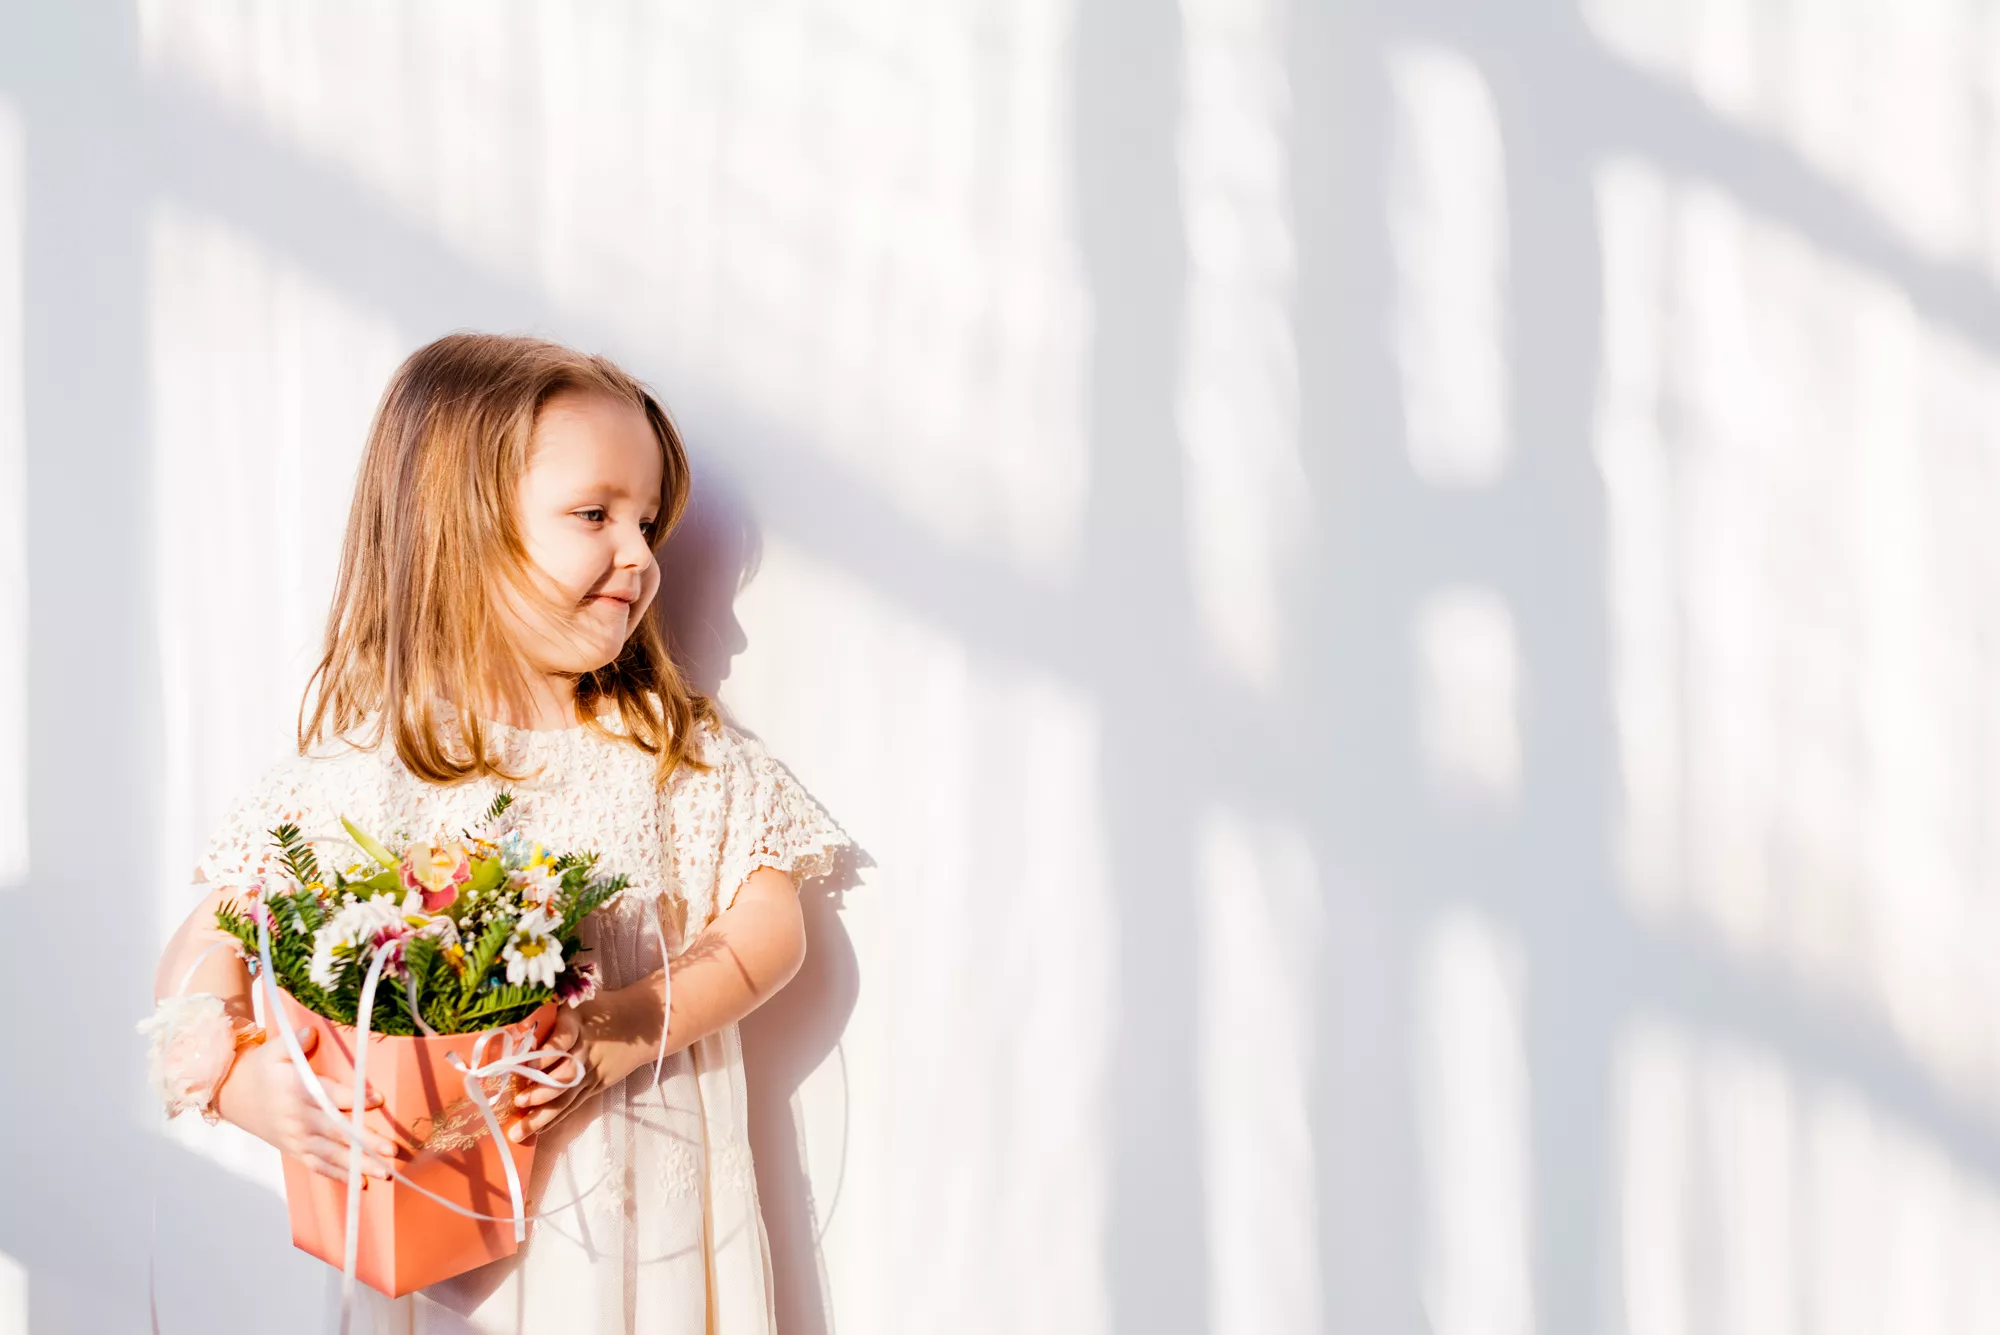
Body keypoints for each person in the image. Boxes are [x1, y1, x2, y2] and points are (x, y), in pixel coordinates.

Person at [144, 331, 851, 1333]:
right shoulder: (362, 779)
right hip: (435, 1228)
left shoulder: (667, 754)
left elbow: (770, 930)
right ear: (456, 530)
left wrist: (619, 1030)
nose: (640, 557)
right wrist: (243, 1081)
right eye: (594, 515)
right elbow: (203, 953)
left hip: (638, 1216)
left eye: (649, 521)